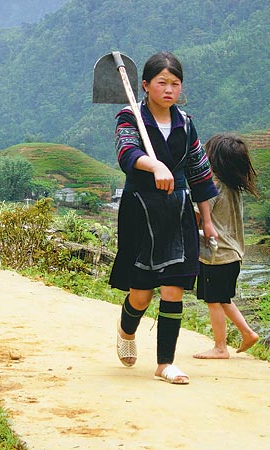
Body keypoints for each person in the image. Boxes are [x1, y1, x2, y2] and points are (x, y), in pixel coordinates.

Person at [110, 52, 219, 384]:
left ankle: (165, 363)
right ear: (145, 85)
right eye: (162, 83)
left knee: (175, 286)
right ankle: (126, 330)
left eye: (175, 84)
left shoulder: (185, 123)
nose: (169, 89)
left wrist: (207, 219)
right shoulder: (129, 117)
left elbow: (200, 173)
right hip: (141, 209)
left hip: (179, 209)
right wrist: (154, 164)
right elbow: (126, 152)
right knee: (141, 292)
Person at [193, 134, 260, 359]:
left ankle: (220, 347)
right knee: (222, 298)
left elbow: (200, 216)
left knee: (214, 300)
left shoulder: (213, 186)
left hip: (217, 253)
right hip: (232, 253)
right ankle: (247, 332)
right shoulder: (232, 186)